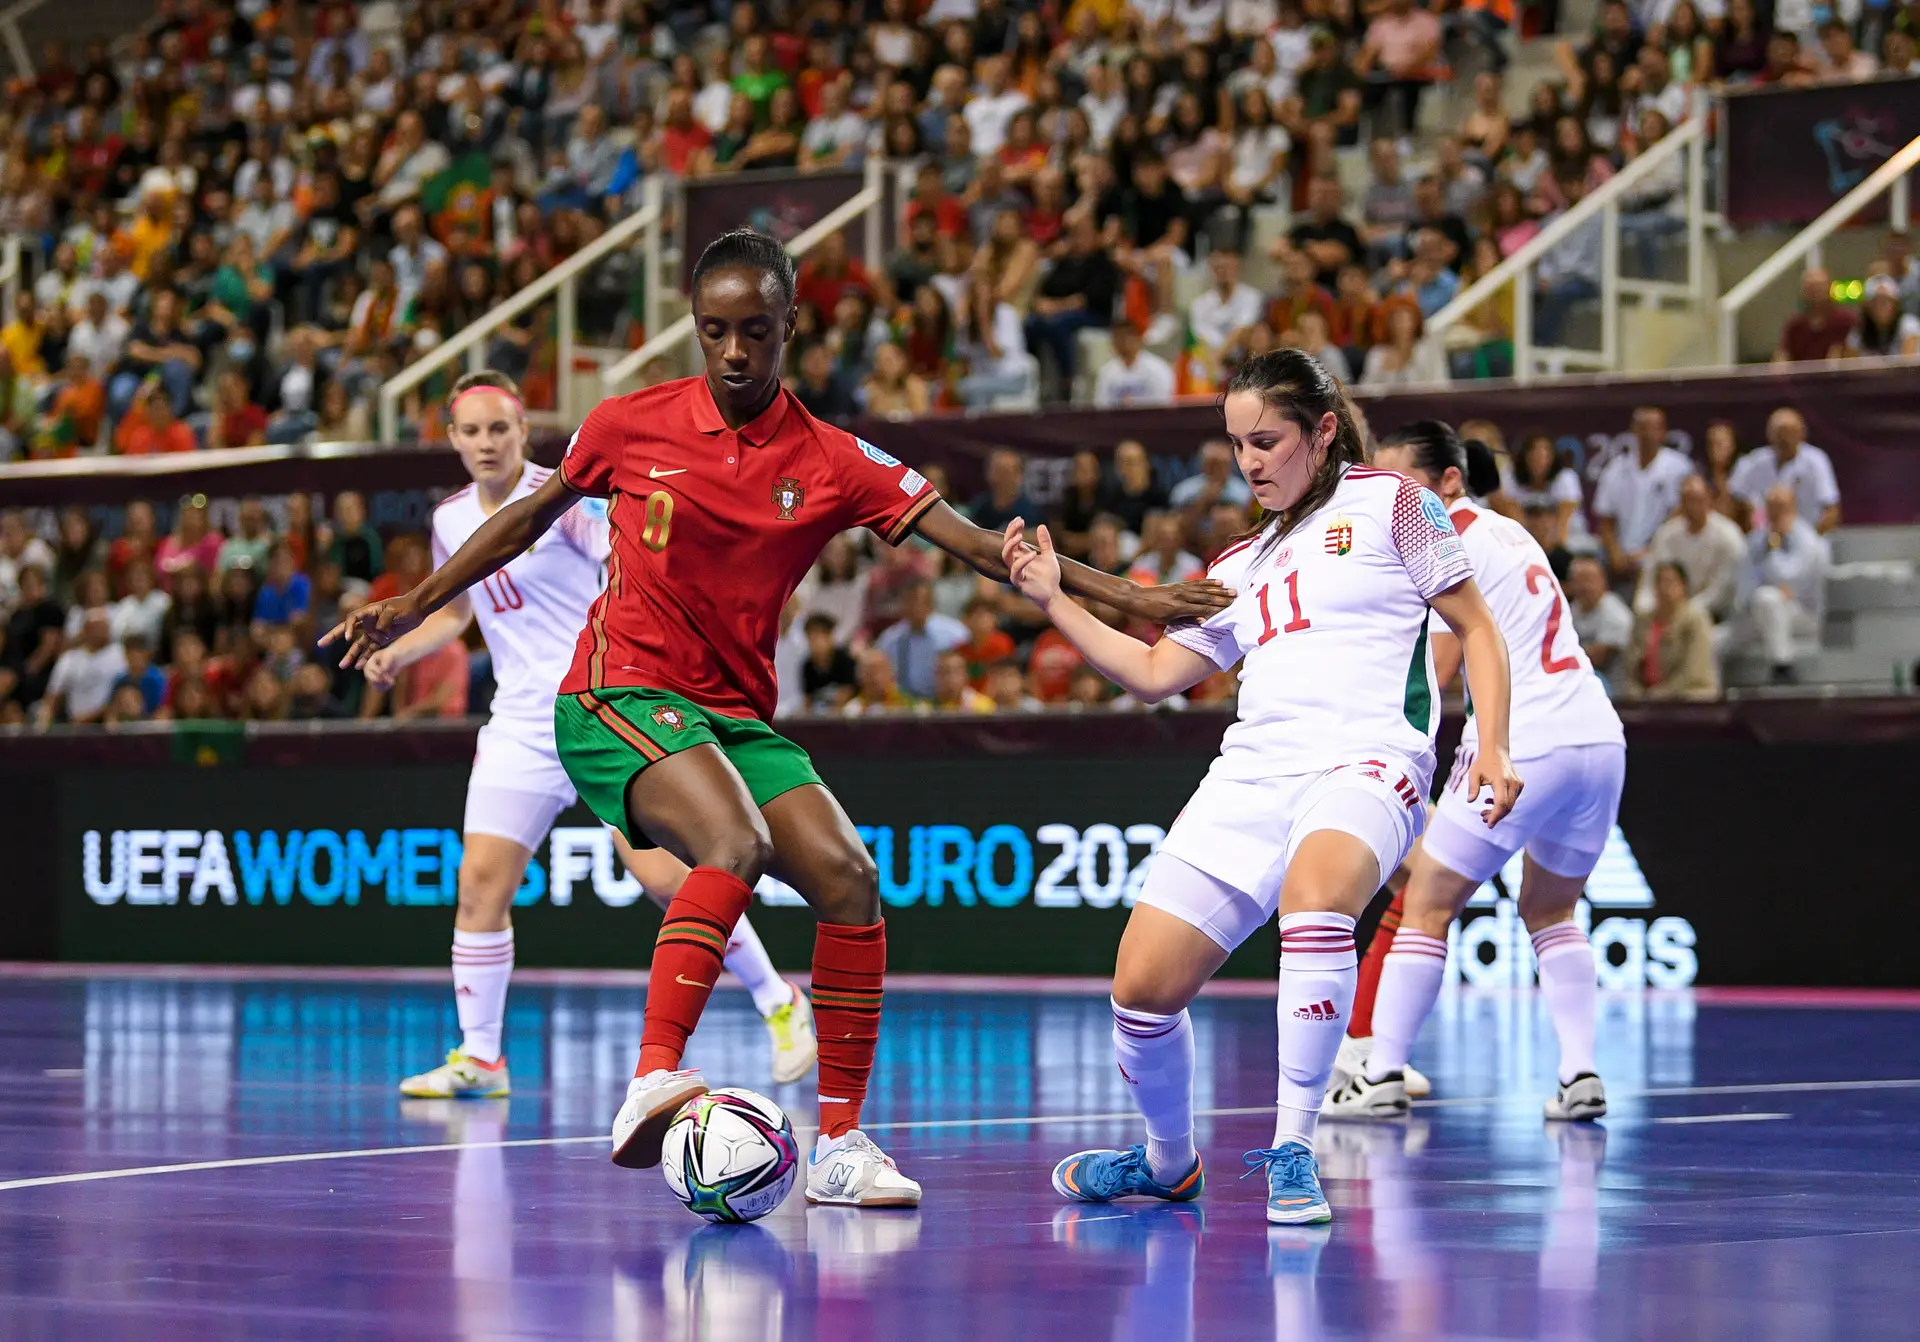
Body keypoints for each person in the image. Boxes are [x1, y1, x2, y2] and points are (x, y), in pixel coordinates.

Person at [326, 229, 1230, 1209]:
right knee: (732, 840)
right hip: (613, 692)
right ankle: (651, 1076)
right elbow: (522, 521)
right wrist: (417, 600)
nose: (733, 352)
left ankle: (839, 1144)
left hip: (726, 713)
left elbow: (977, 544)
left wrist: (1127, 599)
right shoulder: (629, 423)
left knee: (850, 876)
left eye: (755, 331)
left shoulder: (835, 460)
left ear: (791, 326)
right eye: (713, 331)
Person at [1023, 350, 1519, 1226]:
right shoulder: (1241, 560)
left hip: (1369, 760)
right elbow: (1150, 670)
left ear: (1322, 432)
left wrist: (1493, 746)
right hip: (1251, 773)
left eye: (1266, 440)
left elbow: (1477, 627)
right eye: (1236, 444)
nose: (1249, 462)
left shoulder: (1397, 503)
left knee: (1316, 901)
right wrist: (1053, 596)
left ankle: (1293, 1148)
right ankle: (1168, 1162)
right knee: (1140, 993)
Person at [360, 372, 816, 1100]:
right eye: (471, 431)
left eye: (499, 430)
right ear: (451, 439)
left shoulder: (568, 500)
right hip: (519, 723)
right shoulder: (449, 521)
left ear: (523, 433)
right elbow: (460, 613)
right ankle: (481, 1059)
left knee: (667, 878)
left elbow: (632, 572)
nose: (485, 443)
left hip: (603, 704)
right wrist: (400, 648)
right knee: (480, 886)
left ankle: (780, 1001)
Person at [1326, 425, 1622, 1124]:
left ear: (1449, 481)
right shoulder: (1511, 533)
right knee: (1551, 911)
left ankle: (1382, 1073)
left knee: (1426, 904)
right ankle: (1579, 1073)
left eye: (1404, 484)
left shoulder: (1442, 542)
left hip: (1528, 741)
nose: (1392, 500)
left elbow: (1441, 667)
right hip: (1598, 737)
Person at [1737, 483, 1830, 683]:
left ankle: (1782, 666)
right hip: (1759, 612)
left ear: (1793, 507)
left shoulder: (1807, 540)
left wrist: (1774, 548)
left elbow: (1790, 579)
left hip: (1803, 614)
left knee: (1767, 598)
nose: (1776, 512)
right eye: (1772, 506)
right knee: (1715, 641)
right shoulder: (1757, 539)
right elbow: (1745, 578)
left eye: (1782, 507)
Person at [1593, 405, 1693, 589]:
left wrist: (1648, 552)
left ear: (1663, 432)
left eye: (1653, 428)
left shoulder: (1679, 468)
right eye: (1642, 428)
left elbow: (1678, 517)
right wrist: (1616, 555)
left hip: (1661, 554)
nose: (1647, 434)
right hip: (1620, 557)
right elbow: (1605, 521)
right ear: (1633, 431)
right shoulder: (1615, 469)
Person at [1636, 474, 1746, 625]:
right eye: (1686, 500)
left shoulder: (1729, 536)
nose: (1691, 506)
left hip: (1714, 617)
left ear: (1709, 500)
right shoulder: (1666, 534)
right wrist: (1643, 611)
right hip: (1667, 614)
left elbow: (1721, 591)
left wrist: (1684, 613)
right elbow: (1650, 578)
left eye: (1697, 500)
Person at [1727, 407, 1841, 535]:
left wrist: (1812, 540)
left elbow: (1831, 510)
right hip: (1764, 541)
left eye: (1790, 432)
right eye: (1780, 432)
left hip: (1807, 539)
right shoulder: (1755, 462)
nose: (1785, 438)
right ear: (1769, 435)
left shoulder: (1816, 461)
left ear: (1802, 433)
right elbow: (1734, 500)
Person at [1625, 561, 1720, 700]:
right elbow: (1630, 667)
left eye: (1670, 582)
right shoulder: (1642, 620)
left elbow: (1693, 671)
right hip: (1648, 699)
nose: (1664, 588)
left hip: (1690, 697)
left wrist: (1661, 694)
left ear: (1683, 586)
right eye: (1660, 582)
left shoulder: (1695, 620)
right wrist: (1636, 693)